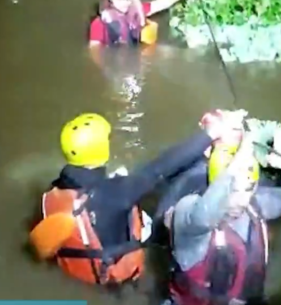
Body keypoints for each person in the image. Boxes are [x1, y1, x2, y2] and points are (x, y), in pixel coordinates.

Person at [30, 110, 245, 287]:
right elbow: (161, 168)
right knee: (170, 190)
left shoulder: (57, 189)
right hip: (114, 274)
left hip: (81, 266)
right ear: (101, 149)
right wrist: (210, 134)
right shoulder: (117, 192)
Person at [160, 127, 281, 305]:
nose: (240, 200)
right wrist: (244, 151)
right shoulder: (188, 215)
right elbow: (204, 215)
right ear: (216, 184)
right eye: (233, 191)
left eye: (248, 189)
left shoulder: (253, 205)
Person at [88, 0, 201, 47]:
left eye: (129, 0)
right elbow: (94, 54)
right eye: (122, 0)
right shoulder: (98, 25)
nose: (127, 4)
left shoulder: (135, 9)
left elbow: (161, 3)